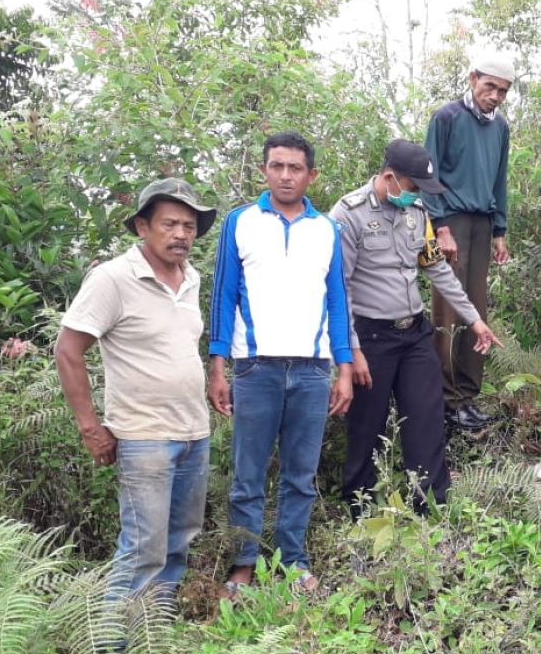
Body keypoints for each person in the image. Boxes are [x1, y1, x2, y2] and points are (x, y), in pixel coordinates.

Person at [55, 177, 218, 606]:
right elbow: (68, 351)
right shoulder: (113, 278)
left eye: (188, 225)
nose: (180, 234)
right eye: (169, 224)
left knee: (179, 542)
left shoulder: (191, 279)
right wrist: (91, 428)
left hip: (193, 434)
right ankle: (113, 647)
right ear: (142, 227)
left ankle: (153, 635)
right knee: (143, 548)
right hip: (144, 437)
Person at [208, 131, 354, 596]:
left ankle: (293, 561)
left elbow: (337, 300)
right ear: (264, 170)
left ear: (311, 175)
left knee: (300, 474)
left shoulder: (326, 228)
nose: (286, 175)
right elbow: (223, 294)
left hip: (312, 369)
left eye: (295, 168)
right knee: (248, 472)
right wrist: (217, 366)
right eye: (277, 166)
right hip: (255, 367)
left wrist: (344, 368)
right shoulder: (241, 222)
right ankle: (244, 563)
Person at [332, 140, 502, 518]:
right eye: (413, 189)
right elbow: (337, 288)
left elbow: (437, 268)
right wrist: (351, 350)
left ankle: (431, 505)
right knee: (367, 425)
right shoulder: (349, 215)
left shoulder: (417, 213)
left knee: (426, 417)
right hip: (370, 338)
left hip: (414, 334)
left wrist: (474, 320)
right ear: (390, 178)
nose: (417, 197)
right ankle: (359, 508)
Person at [424, 53, 515, 430]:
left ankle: (467, 397)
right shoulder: (446, 118)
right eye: (489, 86)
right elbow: (428, 174)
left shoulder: (501, 128)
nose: (494, 96)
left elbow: (499, 180)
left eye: (503, 91)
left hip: (482, 222)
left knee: (476, 309)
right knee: (447, 309)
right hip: (451, 220)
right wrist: (440, 226)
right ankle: (445, 400)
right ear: (473, 77)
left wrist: (500, 230)